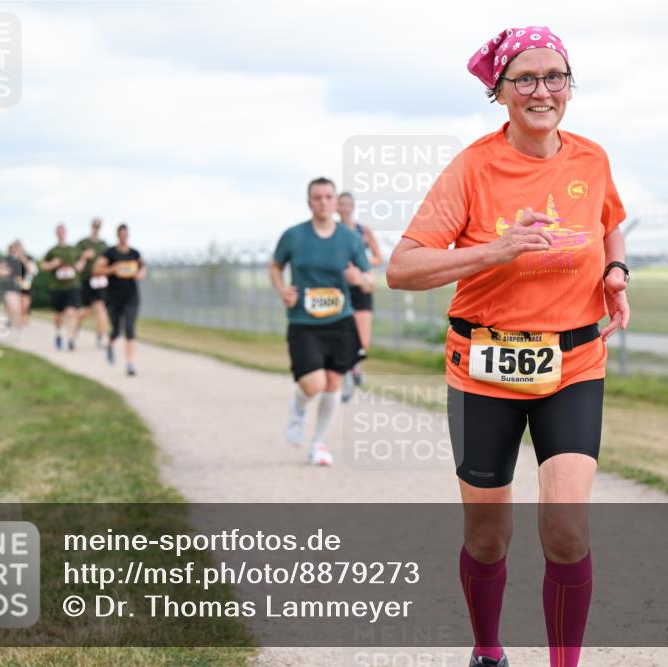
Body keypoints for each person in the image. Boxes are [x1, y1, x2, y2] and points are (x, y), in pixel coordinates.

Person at [387, 26, 629, 667]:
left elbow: (610, 226)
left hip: (574, 364)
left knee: (567, 530)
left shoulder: (592, 159)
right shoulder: (472, 167)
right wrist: (496, 250)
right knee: (488, 537)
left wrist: (615, 272)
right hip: (483, 368)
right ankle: (488, 651)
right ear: (499, 92)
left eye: (555, 76)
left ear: (570, 86)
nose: (542, 90)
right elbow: (402, 268)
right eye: (524, 78)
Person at [270, 177, 373, 466]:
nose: (323, 202)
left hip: (340, 321)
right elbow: (276, 266)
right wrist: (282, 289)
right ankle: (298, 406)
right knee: (313, 384)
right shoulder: (293, 236)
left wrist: (359, 279)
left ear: (336, 201)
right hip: (303, 322)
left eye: (328, 196)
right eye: (317, 197)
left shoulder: (350, 238)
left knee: (333, 383)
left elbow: (369, 280)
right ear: (309, 202)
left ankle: (319, 443)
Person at [337, 192, 383, 400]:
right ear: (337, 207)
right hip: (340, 288)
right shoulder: (333, 231)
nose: (345, 208)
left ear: (353, 206)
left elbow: (378, 257)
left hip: (362, 286)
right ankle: (347, 375)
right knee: (342, 334)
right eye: (341, 204)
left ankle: (354, 366)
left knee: (362, 340)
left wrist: (361, 262)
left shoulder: (363, 231)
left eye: (348, 204)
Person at [94, 223, 145, 376]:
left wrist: (140, 274)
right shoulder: (110, 253)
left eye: (126, 234)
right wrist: (113, 269)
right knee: (116, 330)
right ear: (118, 235)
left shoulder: (134, 253)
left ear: (128, 235)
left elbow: (143, 267)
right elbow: (96, 270)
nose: (124, 237)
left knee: (129, 328)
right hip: (114, 297)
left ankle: (130, 363)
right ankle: (110, 346)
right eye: (121, 234)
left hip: (131, 296)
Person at [41, 224, 87, 351]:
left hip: (72, 286)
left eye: (62, 231)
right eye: (59, 232)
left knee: (71, 312)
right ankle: (58, 334)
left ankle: (71, 339)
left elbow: (81, 262)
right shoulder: (52, 251)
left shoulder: (73, 250)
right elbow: (43, 266)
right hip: (57, 287)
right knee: (59, 315)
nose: (61, 234)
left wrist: (80, 264)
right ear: (56, 234)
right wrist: (52, 264)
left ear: (65, 233)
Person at [76, 218, 110, 347]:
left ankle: (100, 337)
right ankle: (74, 328)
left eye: (98, 226)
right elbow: (77, 265)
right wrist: (84, 256)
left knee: (101, 308)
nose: (96, 228)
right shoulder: (83, 243)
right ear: (91, 227)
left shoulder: (104, 245)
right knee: (85, 310)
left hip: (100, 281)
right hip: (87, 280)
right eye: (95, 226)